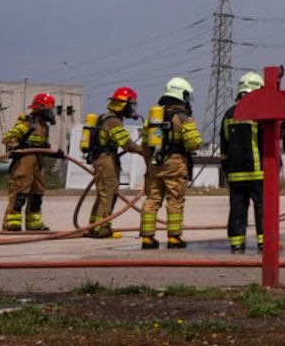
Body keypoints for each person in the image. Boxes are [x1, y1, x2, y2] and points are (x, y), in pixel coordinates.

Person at [138, 78, 204, 250]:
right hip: (175, 162)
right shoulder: (184, 118)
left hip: (155, 163)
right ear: (183, 95)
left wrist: (149, 164)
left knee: (152, 199)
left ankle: (147, 238)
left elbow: (146, 144)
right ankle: (174, 238)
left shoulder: (154, 118)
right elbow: (193, 144)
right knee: (175, 200)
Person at [82, 87, 146, 238]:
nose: (133, 109)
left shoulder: (106, 118)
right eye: (132, 105)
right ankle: (102, 228)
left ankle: (94, 226)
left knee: (103, 194)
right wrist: (145, 151)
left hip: (105, 159)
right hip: (106, 160)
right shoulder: (113, 121)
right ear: (124, 104)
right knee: (108, 193)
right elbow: (126, 144)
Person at [219, 71, 268, 255]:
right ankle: (264, 244)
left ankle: (237, 244)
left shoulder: (229, 114)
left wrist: (226, 169)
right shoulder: (260, 114)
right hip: (258, 172)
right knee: (262, 208)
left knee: (237, 209)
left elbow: (224, 144)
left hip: (234, 174)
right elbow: (266, 142)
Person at [1, 93, 60, 233]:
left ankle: (34, 224)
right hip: (24, 161)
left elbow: (42, 145)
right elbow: (9, 137)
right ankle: (12, 224)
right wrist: (15, 147)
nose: (51, 112)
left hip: (38, 162)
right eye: (49, 109)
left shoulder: (44, 127)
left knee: (37, 194)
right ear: (40, 108)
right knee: (20, 192)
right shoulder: (28, 123)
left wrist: (56, 152)